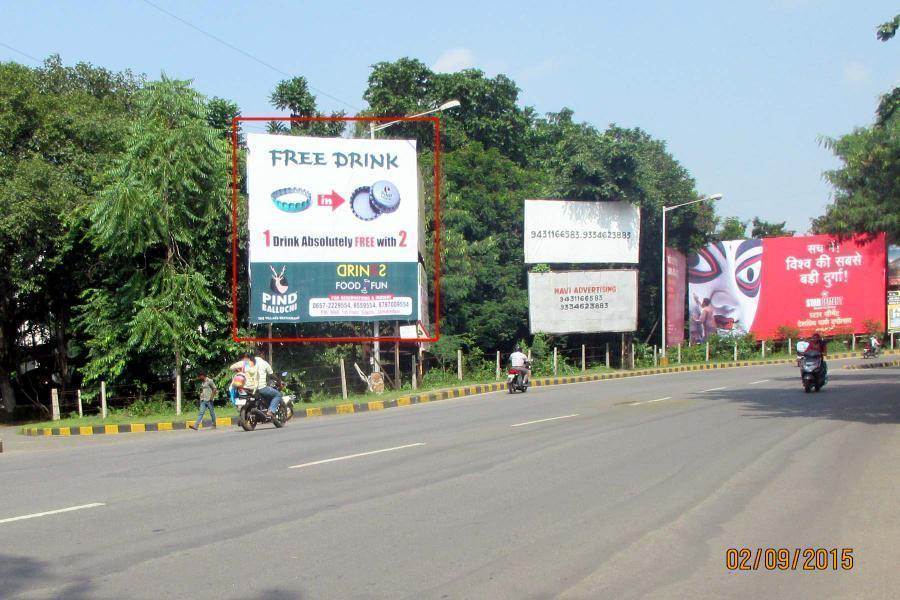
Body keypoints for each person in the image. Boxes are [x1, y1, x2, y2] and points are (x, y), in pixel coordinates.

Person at [229, 353, 282, 419]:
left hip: (243, 388)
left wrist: (238, 370)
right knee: (278, 395)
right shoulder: (264, 363)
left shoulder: (243, 363)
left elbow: (231, 367)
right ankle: (270, 411)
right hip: (257, 388)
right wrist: (279, 382)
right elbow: (271, 375)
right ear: (262, 355)